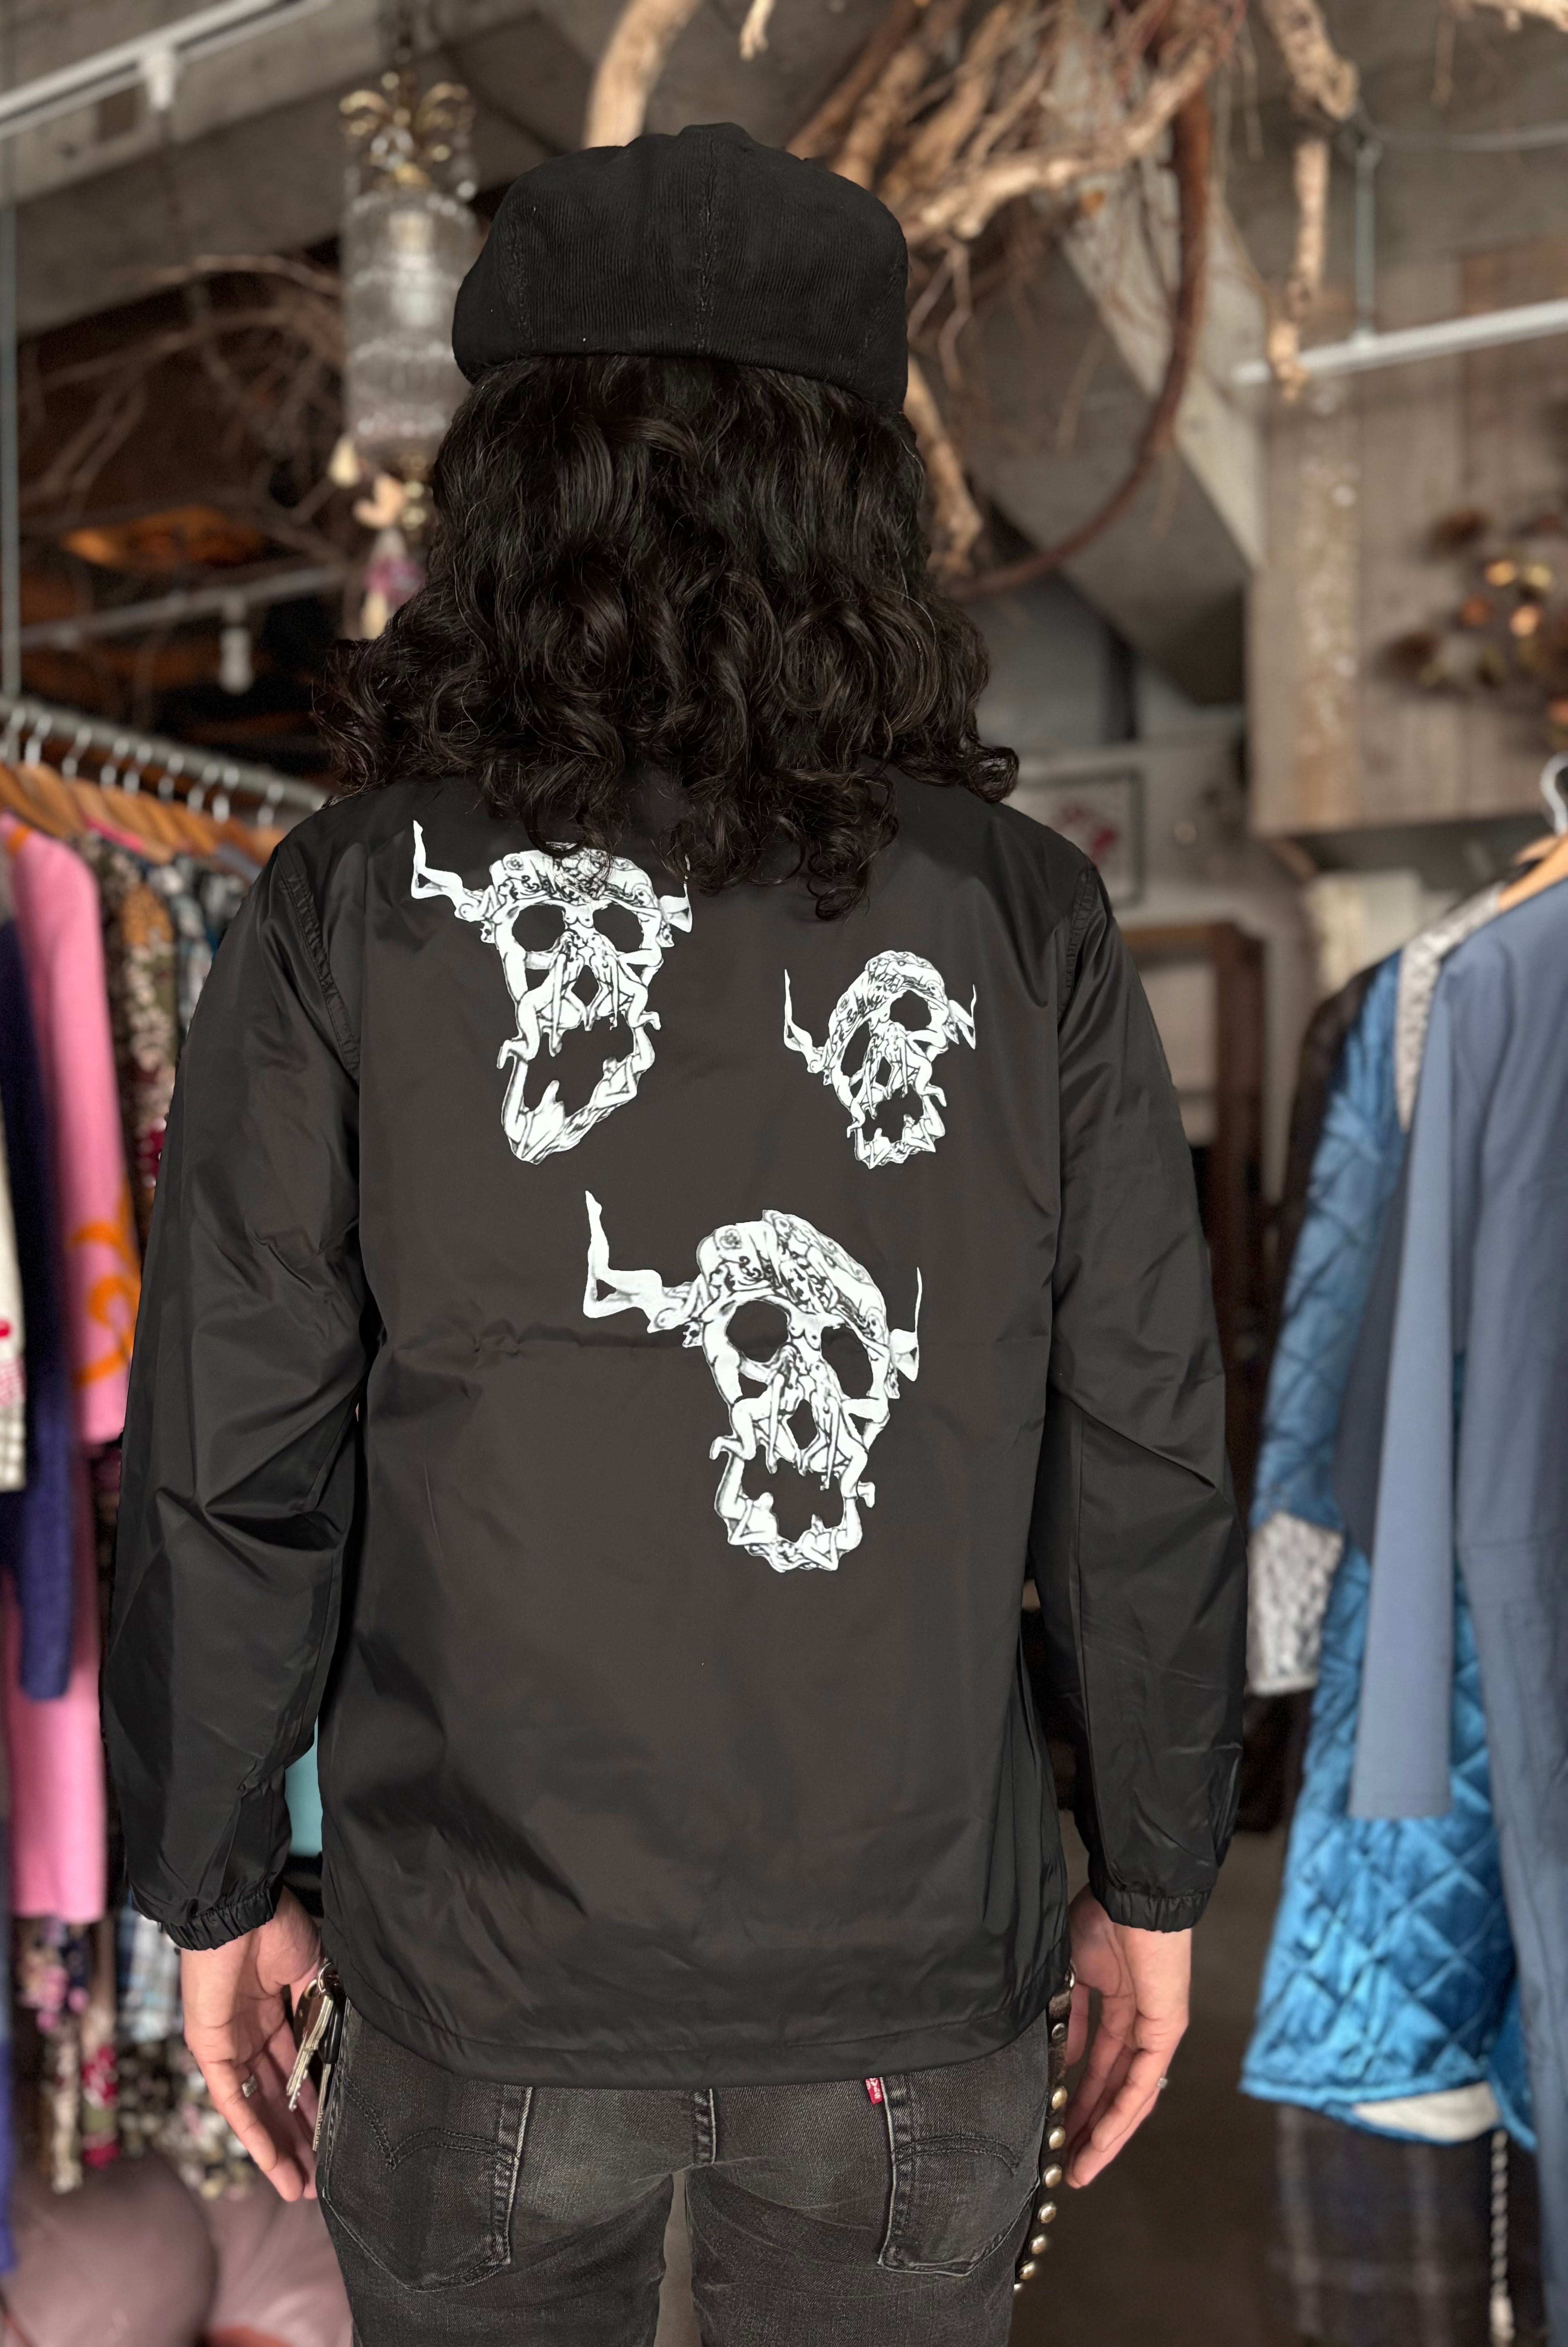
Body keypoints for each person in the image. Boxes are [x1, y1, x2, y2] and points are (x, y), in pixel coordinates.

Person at [106, 121, 1244, 2347]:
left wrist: (215, 1884)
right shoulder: (1026, 923)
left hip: (481, 1981)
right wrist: (1160, 1872)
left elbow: (235, 1449)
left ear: (511, 492)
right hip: (908, 1976)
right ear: (863, 504)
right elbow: (1138, 1448)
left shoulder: (353, 906)